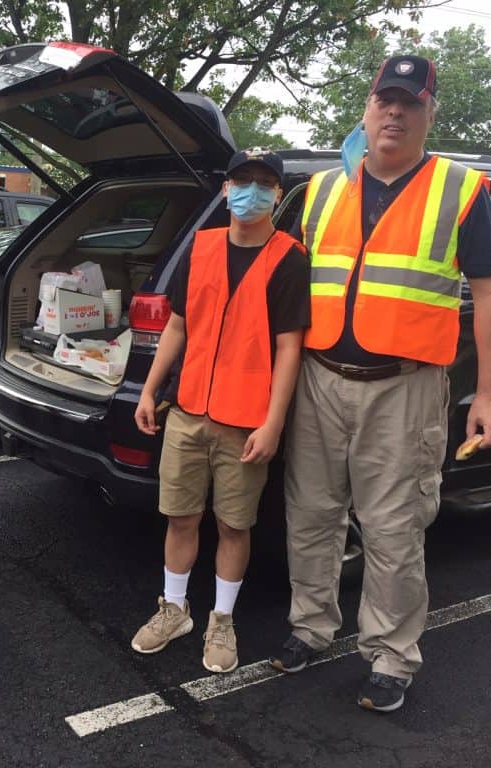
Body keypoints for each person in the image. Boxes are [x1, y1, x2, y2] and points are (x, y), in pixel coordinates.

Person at [268, 55, 491, 712]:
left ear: (429, 113)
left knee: (393, 526)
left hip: (404, 388)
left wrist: (488, 393)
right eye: (386, 100)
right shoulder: (322, 191)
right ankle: (310, 627)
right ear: (367, 108)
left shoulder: (458, 189)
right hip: (319, 381)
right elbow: (281, 286)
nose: (395, 113)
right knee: (312, 515)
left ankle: (391, 654)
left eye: (410, 102)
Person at [131, 149, 311, 673]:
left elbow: (288, 348)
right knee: (180, 516)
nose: (251, 190)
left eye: (263, 182)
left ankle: (222, 620)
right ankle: (174, 609)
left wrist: (274, 421)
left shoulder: (289, 258)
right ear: (226, 189)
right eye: (242, 180)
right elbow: (178, 327)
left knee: (234, 525)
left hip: (245, 421)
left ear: (277, 194)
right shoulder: (202, 248)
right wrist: (149, 389)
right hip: (188, 411)